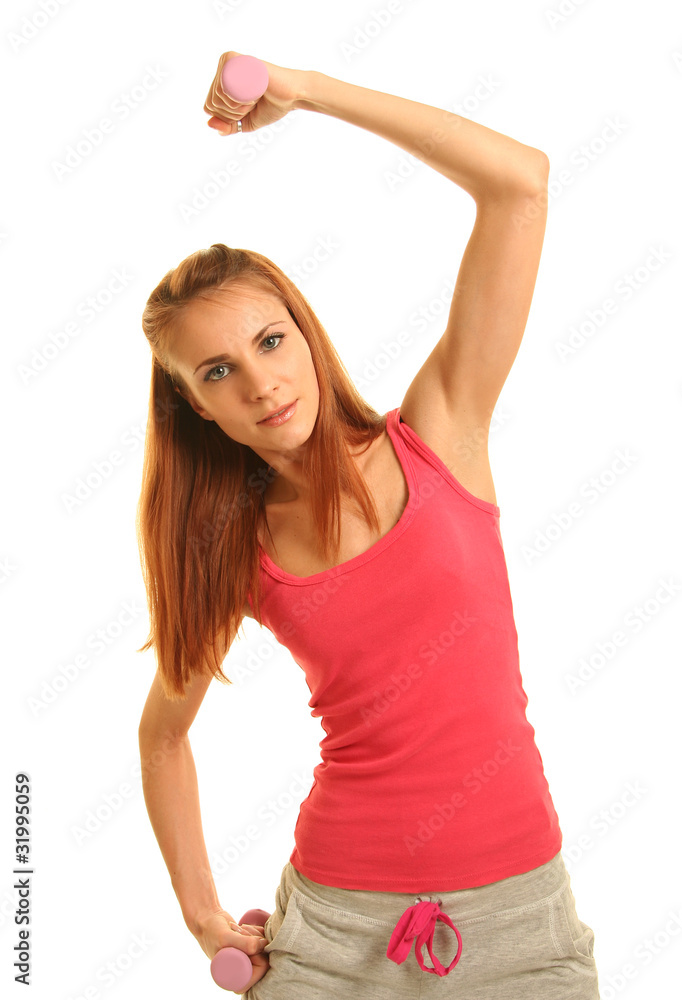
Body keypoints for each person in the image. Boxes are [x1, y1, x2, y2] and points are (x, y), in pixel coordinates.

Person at [137, 51, 601, 999]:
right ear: (196, 407)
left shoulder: (439, 435)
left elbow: (518, 184)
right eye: (218, 371)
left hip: (521, 922)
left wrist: (305, 91)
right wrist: (201, 914)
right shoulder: (234, 552)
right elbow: (163, 737)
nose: (261, 382)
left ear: (305, 335)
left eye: (270, 341)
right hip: (333, 934)